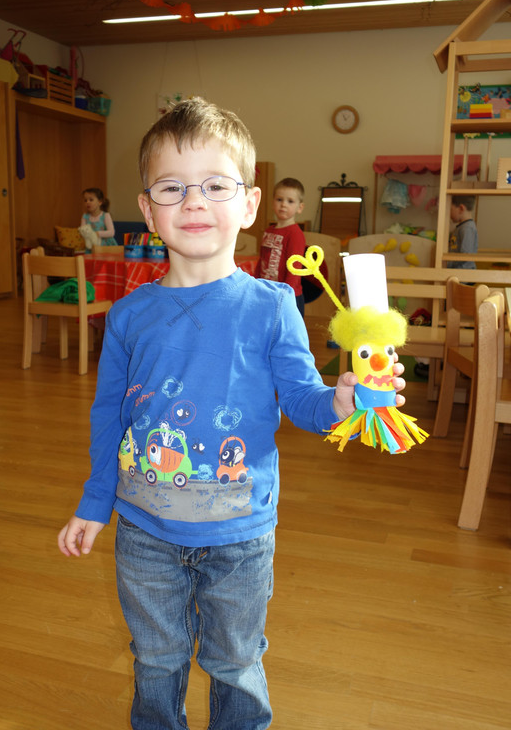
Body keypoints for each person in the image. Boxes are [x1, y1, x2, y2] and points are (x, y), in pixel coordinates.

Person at [58, 97, 405, 730]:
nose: (194, 201)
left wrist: (339, 402)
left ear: (249, 205)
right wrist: (93, 501)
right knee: (156, 659)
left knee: (236, 661)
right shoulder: (128, 315)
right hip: (143, 530)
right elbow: (109, 416)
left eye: (216, 185)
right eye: (173, 187)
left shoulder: (273, 306)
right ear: (148, 210)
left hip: (240, 535)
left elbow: (302, 401)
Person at [255, 177, 307, 316]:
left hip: (288, 297)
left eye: (290, 201)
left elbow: (295, 268)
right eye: (279, 199)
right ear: (273, 202)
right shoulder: (268, 231)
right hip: (267, 293)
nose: (283, 204)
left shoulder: (295, 234)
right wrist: (255, 284)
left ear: (300, 207)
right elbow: (262, 261)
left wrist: (285, 294)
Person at [446, 194, 478, 269]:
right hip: (457, 270)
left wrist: (446, 263)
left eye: (450, 209)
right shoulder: (461, 227)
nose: (449, 213)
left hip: (464, 272)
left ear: (461, 208)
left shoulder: (467, 228)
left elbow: (465, 255)